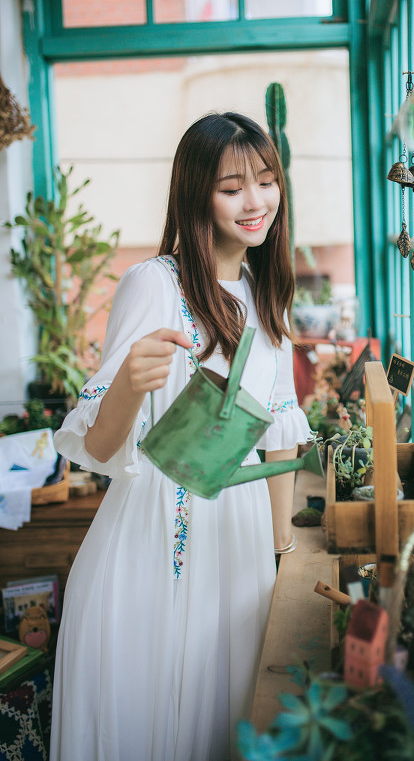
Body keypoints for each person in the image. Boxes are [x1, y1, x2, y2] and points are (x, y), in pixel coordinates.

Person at [50, 112, 312, 761]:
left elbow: (277, 440)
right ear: (197, 193)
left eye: (267, 180)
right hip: (150, 551)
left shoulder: (264, 297)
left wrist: (281, 556)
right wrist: (130, 386)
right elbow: (104, 451)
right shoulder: (153, 285)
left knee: (224, 726)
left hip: (240, 551)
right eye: (232, 187)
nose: (256, 201)